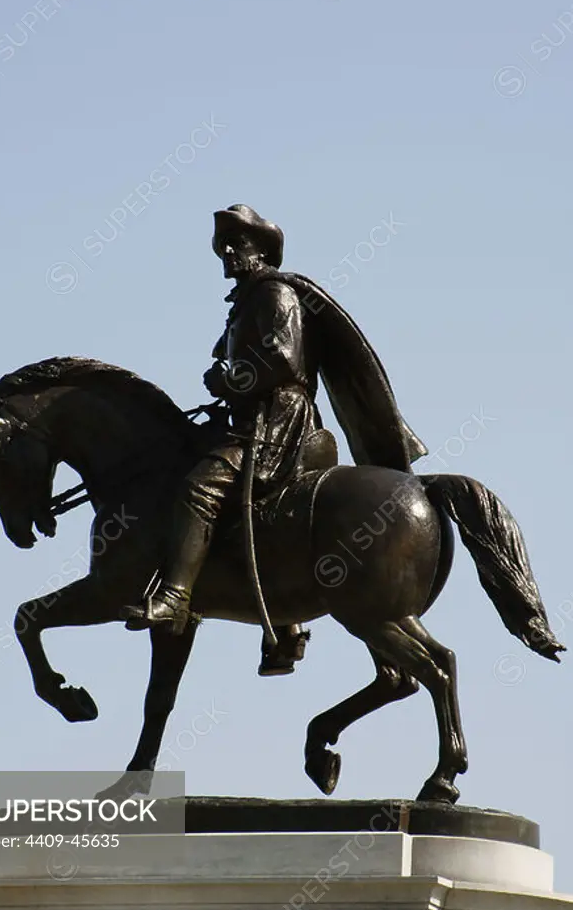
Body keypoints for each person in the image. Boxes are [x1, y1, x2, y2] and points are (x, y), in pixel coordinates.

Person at [125, 205, 427, 676]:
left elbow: (284, 360)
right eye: (221, 245)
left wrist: (231, 381)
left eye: (236, 243)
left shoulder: (272, 293)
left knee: (198, 489)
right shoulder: (245, 302)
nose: (226, 252)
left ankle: (174, 596)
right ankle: (285, 626)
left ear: (261, 250)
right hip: (251, 420)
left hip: (278, 425)